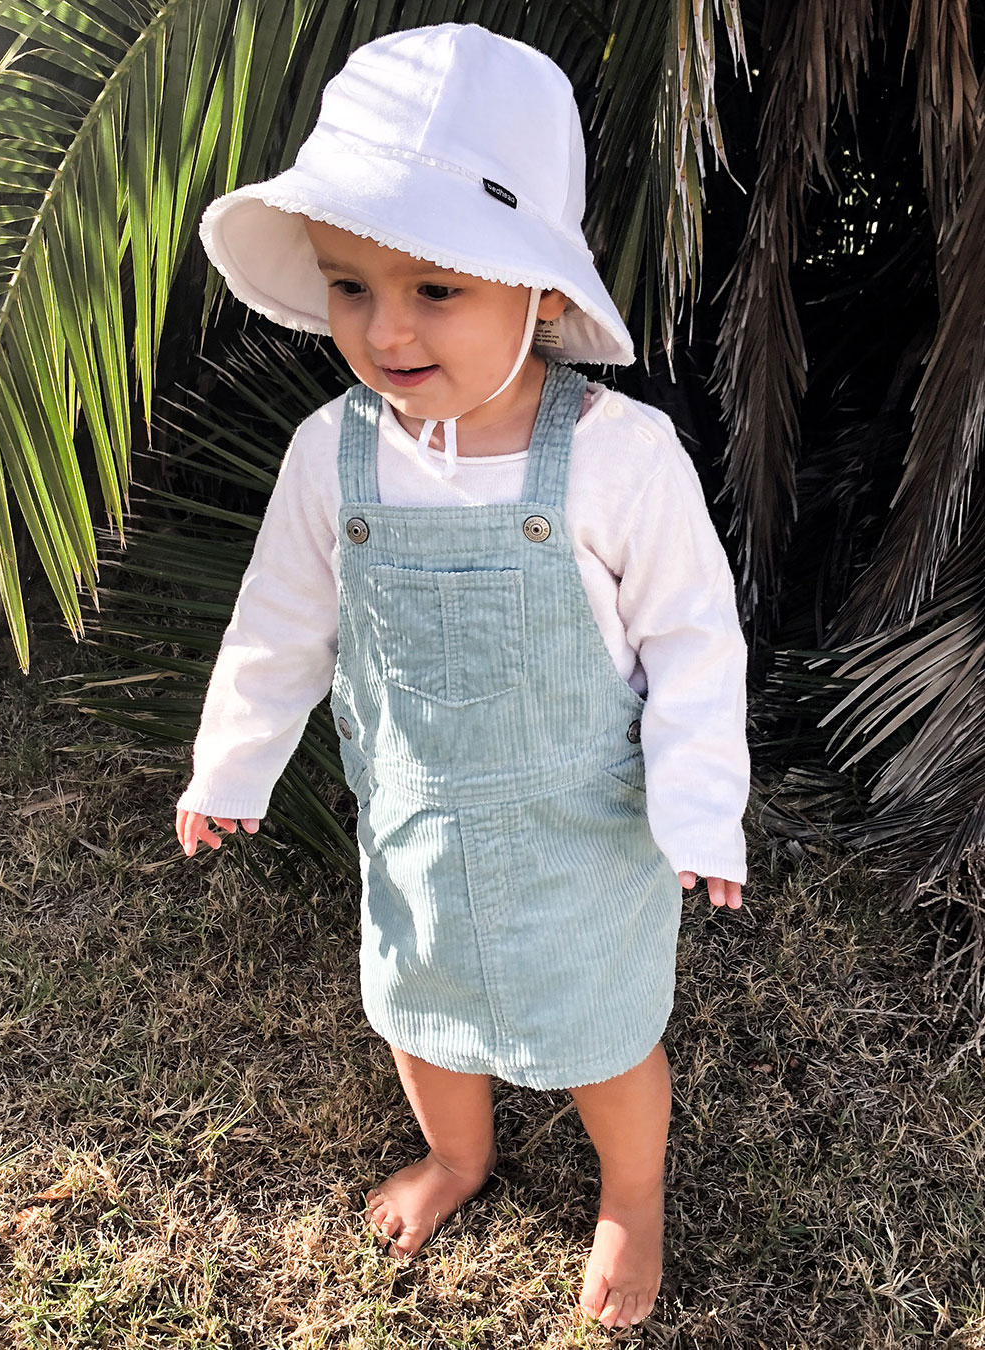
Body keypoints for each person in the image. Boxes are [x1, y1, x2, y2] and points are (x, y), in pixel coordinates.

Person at [174, 22, 749, 1332]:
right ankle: (461, 1152)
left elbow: (692, 640)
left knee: (605, 1038)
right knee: (420, 1006)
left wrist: (703, 806)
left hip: (583, 843)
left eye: (435, 290)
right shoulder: (336, 453)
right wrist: (234, 758)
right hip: (419, 825)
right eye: (350, 285)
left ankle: (632, 1192)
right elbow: (282, 619)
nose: (386, 328)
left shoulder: (618, 455)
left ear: (538, 290)